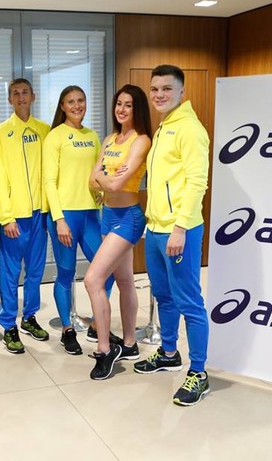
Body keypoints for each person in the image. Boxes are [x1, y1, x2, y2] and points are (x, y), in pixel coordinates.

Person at [132, 64, 211, 406]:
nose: (159, 94)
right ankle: (168, 353)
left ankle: (199, 372)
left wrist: (179, 227)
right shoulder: (165, 125)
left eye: (167, 88)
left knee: (189, 301)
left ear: (182, 91)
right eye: (155, 89)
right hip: (157, 229)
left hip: (180, 231)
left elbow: (197, 182)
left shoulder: (190, 128)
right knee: (163, 296)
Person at [84, 84, 152, 380]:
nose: (121, 109)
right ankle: (130, 343)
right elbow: (92, 180)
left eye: (128, 105)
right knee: (124, 280)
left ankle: (104, 349)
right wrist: (104, 177)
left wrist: (103, 176)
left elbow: (113, 184)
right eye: (119, 104)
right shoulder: (110, 139)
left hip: (128, 218)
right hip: (108, 215)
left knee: (93, 279)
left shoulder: (141, 141)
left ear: (137, 109)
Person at [43, 85, 114, 356]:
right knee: (66, 273)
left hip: (91, 215)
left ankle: (97, 323)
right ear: (62, 106)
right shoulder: (55, 137)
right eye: (70, 102)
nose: (76, 106)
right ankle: (67, 329)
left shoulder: (92, 136)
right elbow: (49, 181)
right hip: (65, 216)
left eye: (80, 100)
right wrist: (59, 219)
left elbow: (97, 173)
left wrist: (102, 193)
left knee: (107, 271)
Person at [0, 78, 51, 354]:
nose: (21, 97)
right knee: (11, 272)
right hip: (15, 215)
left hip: (40, 213)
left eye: (25, 92)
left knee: (36, 270)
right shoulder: (0, 133)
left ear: (33, 96)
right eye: (15, 93)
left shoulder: (45, 130)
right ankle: (8, 324)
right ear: (9, 99)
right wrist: (6, 217)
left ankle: (29, 317)